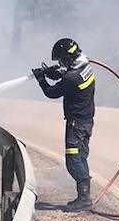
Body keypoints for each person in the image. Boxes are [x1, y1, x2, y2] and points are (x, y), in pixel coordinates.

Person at [32, 37, 96, 209]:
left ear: (68, 58)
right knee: (81, 157)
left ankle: (84, 199)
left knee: (73, 160)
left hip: (76, 125)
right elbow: (71, 77)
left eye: (61, 60)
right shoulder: (86, 67)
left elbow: (52, 92)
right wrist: (56, 73)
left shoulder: (71, 78)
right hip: (86, 121)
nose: (60, 63)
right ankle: (84, 196)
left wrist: (41, 79)